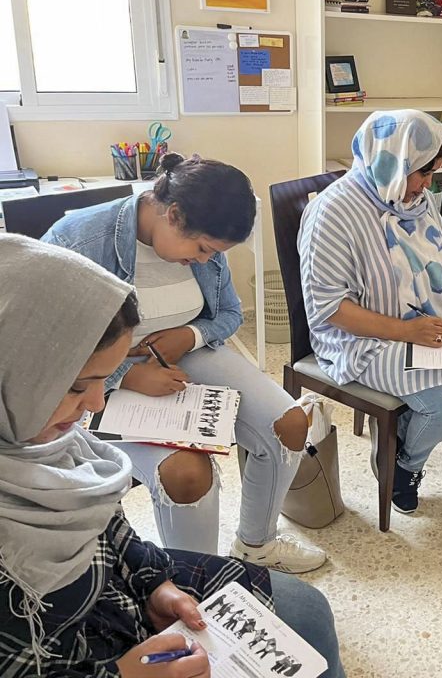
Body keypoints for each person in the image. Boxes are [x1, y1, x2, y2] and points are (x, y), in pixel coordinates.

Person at [0, 234, 343, 678]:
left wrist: (155, 584)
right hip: (73, 655)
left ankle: (252, 547)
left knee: (308, 612)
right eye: (75, 386)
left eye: (103, 380)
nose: (97, 404)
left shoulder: (37, 432)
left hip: (118, 591)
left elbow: (110, 530)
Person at [42, 153, 325, 573]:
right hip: (93, 380)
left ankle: (256, 544)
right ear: (173, 215)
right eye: (201, 249)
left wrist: (189, 335)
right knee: (186, 473)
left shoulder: (205, 244)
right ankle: (197, 578)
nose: (206, 260)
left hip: (184, 355)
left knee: (289, 424)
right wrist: (128, 375)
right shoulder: (78, 242)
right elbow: (47, 346)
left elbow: (229, 313)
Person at [299, 110, 442, 513]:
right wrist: (407, 332)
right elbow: (330, 308)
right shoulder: (333, 213)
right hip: (362, 339)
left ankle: (400, 431)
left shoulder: (415, 199)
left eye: (432, 173)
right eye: (421, 173)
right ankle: (404, 464)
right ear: (392, 161)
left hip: (433, 321)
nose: (425, 185)